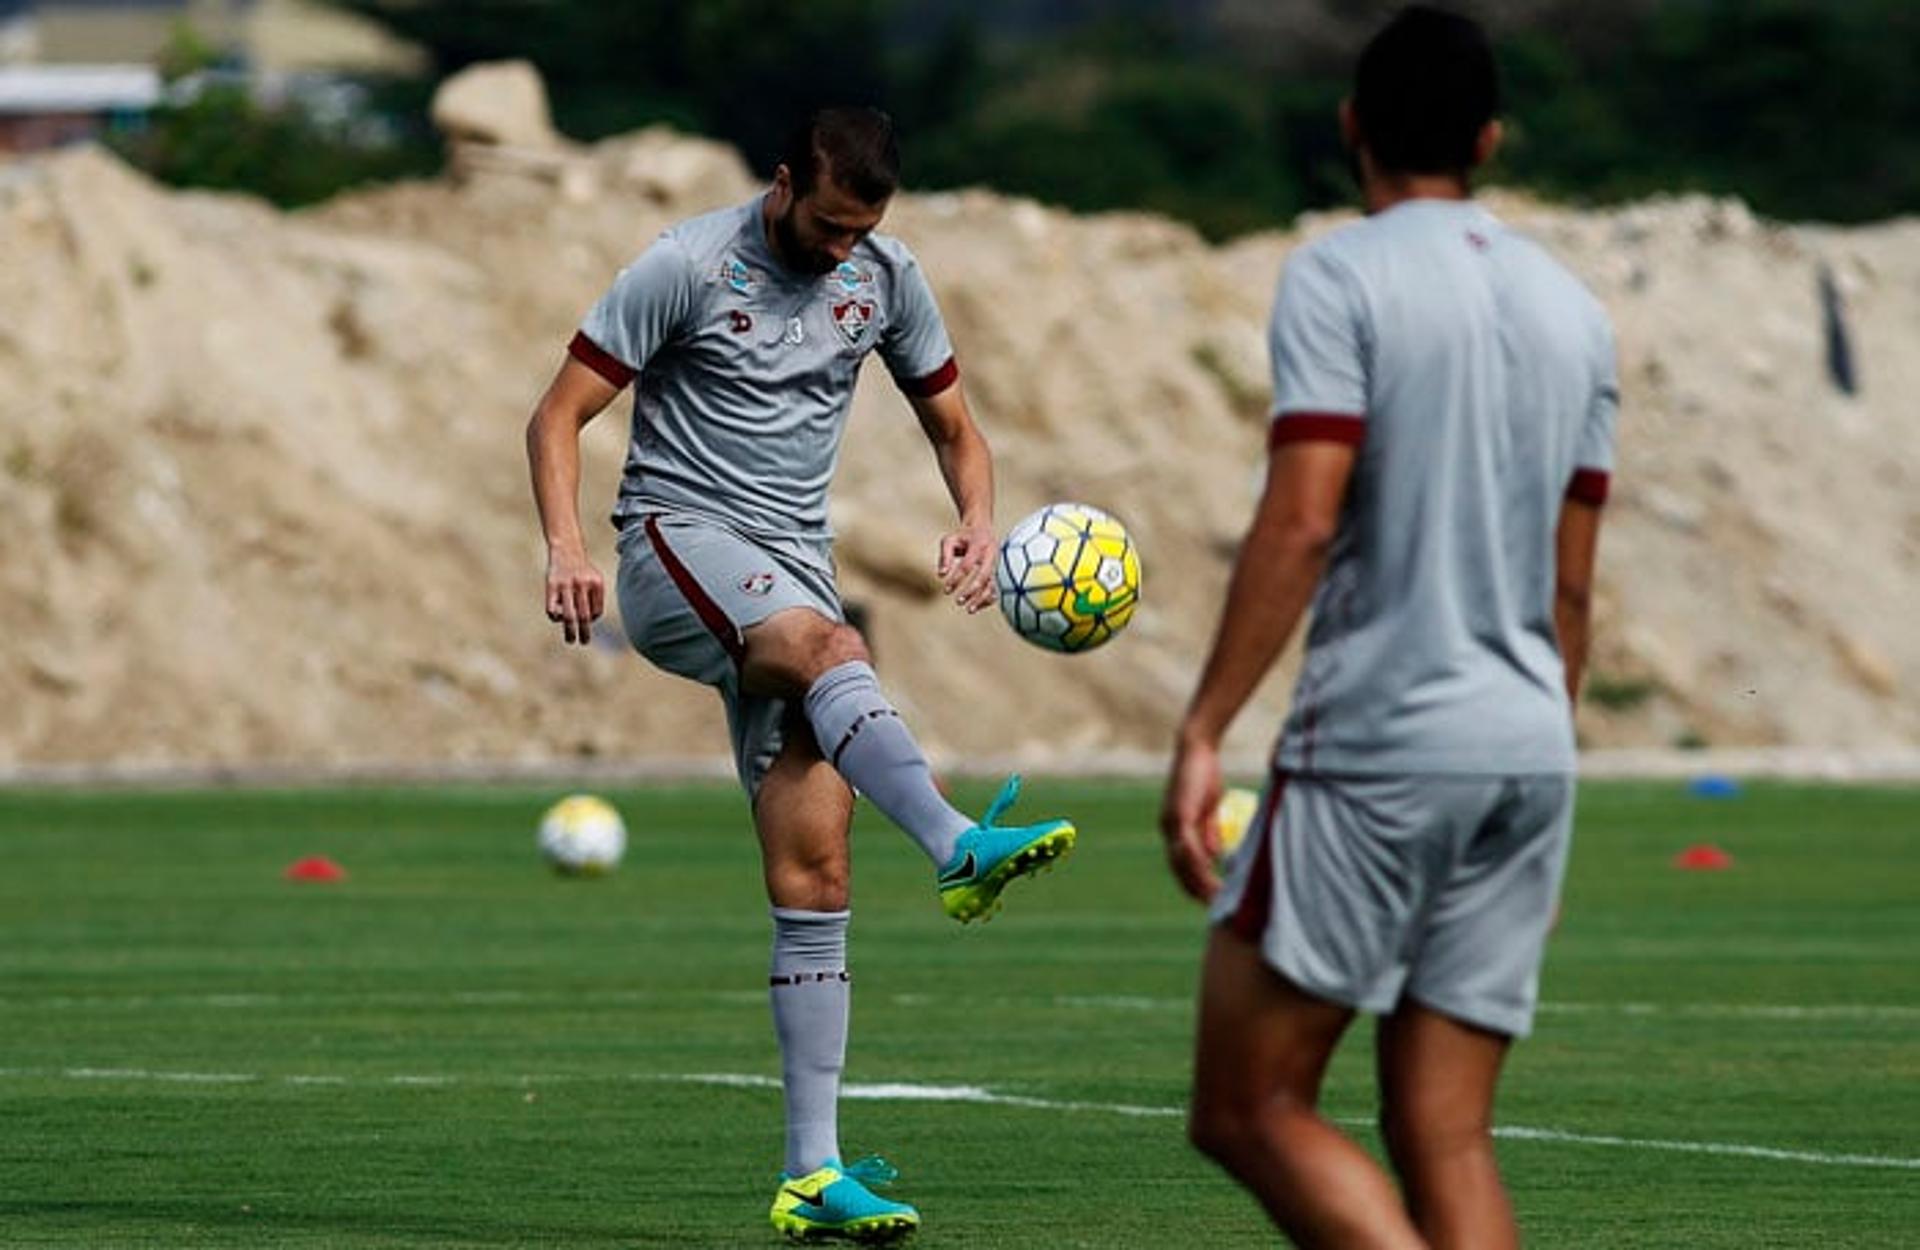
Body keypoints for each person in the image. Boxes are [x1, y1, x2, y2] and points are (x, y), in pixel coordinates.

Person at [524, 106, 1076, 1243]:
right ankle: (957, 841)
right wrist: (567, 546)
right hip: (674, 549)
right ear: (782, 183)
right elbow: (558, 415)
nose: (839, 248)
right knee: (837, 650)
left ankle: (810, 1174)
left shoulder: (885, 274)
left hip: (790, 576)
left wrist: (977, 517)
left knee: (817, 874)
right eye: (825, 223)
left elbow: (957, 427)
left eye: (858, 229)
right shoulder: (684, 265)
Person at [1159, 8, 1616, 1248]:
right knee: (1445, 1128)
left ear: (1351, 126)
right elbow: (1573, 591)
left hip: (1384, 736)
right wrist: (1539, 762)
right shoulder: (1575, 312)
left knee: (1245, 1103)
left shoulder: (1339, 274)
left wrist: (1203, 727)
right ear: (1489, 137)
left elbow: (1304, 520)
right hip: (1526, 746)